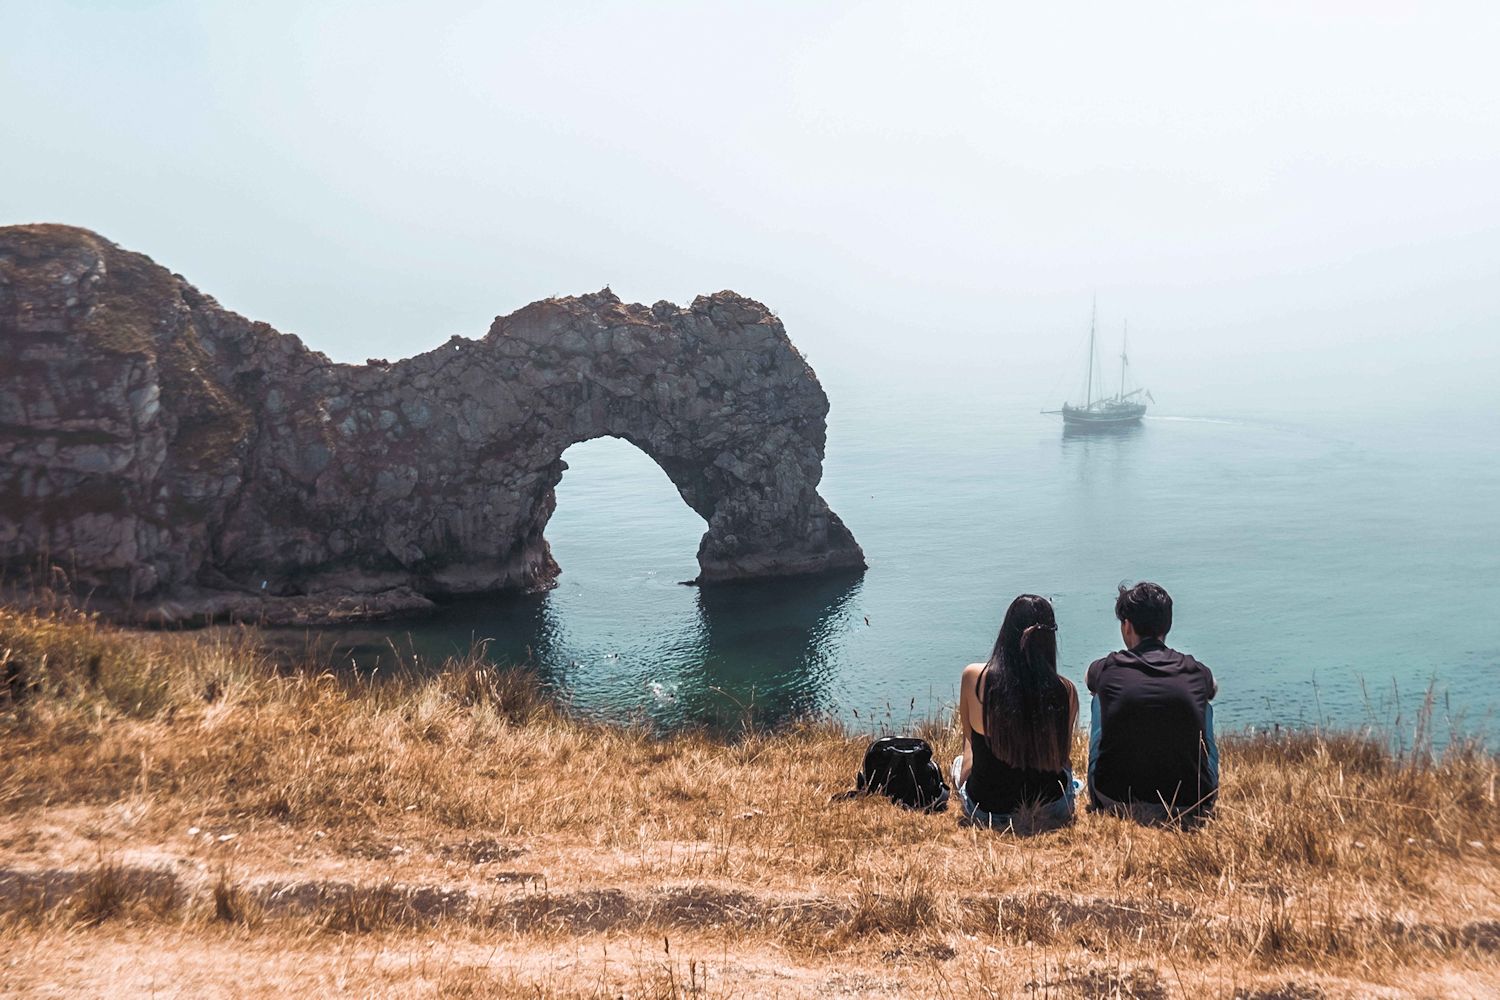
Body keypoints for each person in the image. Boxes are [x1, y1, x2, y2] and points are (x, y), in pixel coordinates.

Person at [1086, 581, 1218, 826]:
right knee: (1205, 705)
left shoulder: (1108, 666)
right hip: (1192, 801)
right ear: (1167, 626)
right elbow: (1213, 688)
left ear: (1127, 626)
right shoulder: (1194, 669)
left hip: (1114, 800)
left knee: (1098, 699)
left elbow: (1088, 680)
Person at [954, 594, 1079, 832]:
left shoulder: (974, 678)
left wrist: (964, 777)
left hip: (987, 809)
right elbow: (1062, 757)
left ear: (1006, 632)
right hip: (1052, 806)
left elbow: (969, 739)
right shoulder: (1066, 691)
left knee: (961, 760)